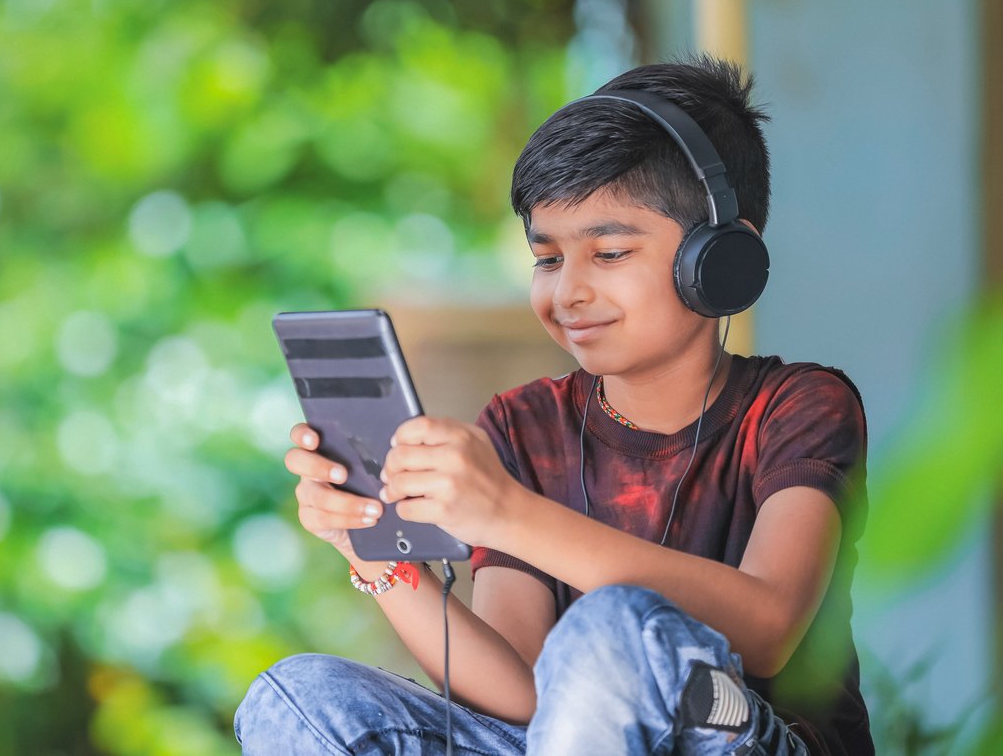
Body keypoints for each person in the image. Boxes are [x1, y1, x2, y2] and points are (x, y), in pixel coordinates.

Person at [234, 56, 873, 754]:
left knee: (616, 625)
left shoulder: (799, 405)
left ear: (719, 261)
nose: (566, 292)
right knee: (297, 697)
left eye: (608, 254)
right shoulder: (522, 424)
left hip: (744, 740)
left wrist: (506, 512)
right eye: (547, 259)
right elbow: (522, 699)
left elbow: (770, 625)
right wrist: (378, 552)